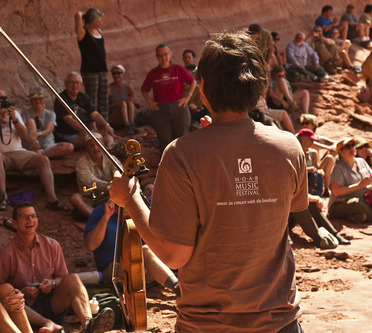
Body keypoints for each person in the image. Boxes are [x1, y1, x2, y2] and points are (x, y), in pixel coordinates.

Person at [109, 31, 307, 332]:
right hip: (280, 322)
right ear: (259, 89)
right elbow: (286, 209)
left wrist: (131, 199)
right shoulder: (289, 146)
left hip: (207, 325)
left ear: (202, 88)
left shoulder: (181, 154)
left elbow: (174, 254)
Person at [0, 202, 115, 333]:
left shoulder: (52, 245)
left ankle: (88, 324)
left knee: (72, 278)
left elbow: (62, 277)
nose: (30, 220)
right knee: (8, 292)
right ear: (15, 224)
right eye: (24, 217)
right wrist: (22, 291)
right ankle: (46, 323)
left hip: (52, 303)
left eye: (33, 216)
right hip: (24, 309)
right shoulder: (6, 254)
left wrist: (52, 283)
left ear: (37, 221)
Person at [0, 87, 68, 212]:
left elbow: (24, 135)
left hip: (17, 152)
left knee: (43, 160)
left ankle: (52, 199)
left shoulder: (14, 114)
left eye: (3, 98)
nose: (0, 101)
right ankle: (2, 197)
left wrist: (14, 119)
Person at [84, 200, 180, 294]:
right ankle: (176, 286)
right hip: (114, 271)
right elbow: (91, 245)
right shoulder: (100, 212)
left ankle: (178, 287)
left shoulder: (137, 210)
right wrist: (106, 216)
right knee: (145, 251)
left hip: (145, 269)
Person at [141, 44, 196, 151]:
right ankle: (168, 166)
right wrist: (150, 101)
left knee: (182, 140)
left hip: (179, 108)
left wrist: (187, 97)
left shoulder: (178, 69)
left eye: (166, 54)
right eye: (160, 55)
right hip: (161, 111)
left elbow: (192, 81)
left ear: (170, 55)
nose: (163, 58)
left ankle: (184, 166)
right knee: (166, 143)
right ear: (157, 57)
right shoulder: (153, 73)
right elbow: (144, 90)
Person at [54, 72, 116, 148]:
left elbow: (95, 114)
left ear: (81, 85)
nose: (75, 85)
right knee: (90, 140)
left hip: (88, 132)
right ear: (66, 84)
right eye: (72, 82)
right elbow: (69, 120)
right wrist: (85, 131)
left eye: (77, 83)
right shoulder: (61, 99)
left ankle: (110, 149)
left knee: (106, 134)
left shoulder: (84, 97)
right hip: (69, 135)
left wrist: (105, 125)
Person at [70, 132, 118, 219]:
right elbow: (90, 181)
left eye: (98, 144)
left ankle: (106, 219)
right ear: (87, 148)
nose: (95, 148)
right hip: (91, 199)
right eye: (91, 145)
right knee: (75, 198)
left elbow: (119, 175)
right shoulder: (82, 163)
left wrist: (113, 186)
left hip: (110, 195)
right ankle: (97, 219)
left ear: (103, 145)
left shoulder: (111, 158)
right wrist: (110, 185)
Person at [74, 8, 109, 121]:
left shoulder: (99, 31)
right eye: (97, 21)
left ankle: (105, 125)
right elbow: (78, 14)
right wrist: (86, 15)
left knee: (104, 100)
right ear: (90, 21)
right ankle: (93, 126)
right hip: (90, 71)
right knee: (92, 100)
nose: (100, 23)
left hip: (102, 69)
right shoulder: (83, 33)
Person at [329, 138, 372, 223]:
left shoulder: (361, 161)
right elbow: (336, 191)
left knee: (362, 206)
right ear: (340, 152)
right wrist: (359, 186)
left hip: (365, 199)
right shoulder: (338, 168)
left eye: (353, 145)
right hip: (341, 204)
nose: (352, 148)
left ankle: (361, 216)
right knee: (358, 204)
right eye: (348, 147)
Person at [23, 88, 74, 159]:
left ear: (43, 100)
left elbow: (48, 130)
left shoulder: (50, 114)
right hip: (31, 146)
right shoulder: (25, 113)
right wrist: (33, 140)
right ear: (31, 100)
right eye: (35, 99)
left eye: (40, 98)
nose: (37, 101)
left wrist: (38, 134)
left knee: (69, 147)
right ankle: (37, 152)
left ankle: (40, 155)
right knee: (30, 121)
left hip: (48, 146)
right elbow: (23, 130)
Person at [107, 65, 139, 135]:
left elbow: (135, 100)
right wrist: (117, 104)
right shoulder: (109, 88)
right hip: (115, 117)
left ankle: (131, 124)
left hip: (126, 115)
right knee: (123, 104)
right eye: (114, 73)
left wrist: (133, 100)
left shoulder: (127, 86)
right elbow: (105, 107)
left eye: (118, 73)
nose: (116, 75)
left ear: (123, 74)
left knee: (129, 102)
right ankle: (127, 126)